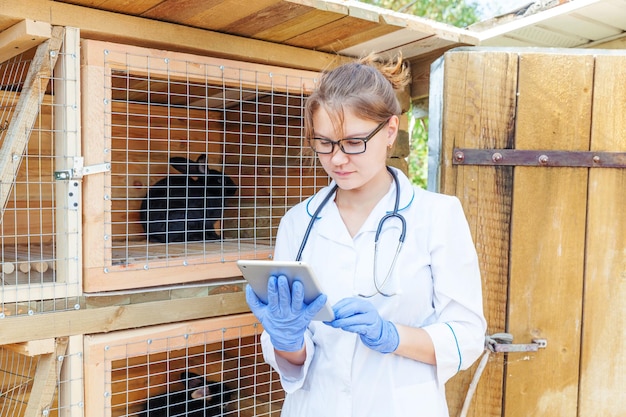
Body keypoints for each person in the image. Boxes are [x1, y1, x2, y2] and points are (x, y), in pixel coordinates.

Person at [245, 53, 487, 416]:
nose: (337, 159)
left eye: (353, 142)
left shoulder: (437, 216)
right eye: (324, 142)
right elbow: (296, 362)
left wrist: (391, 335)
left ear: (390, 131)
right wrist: (286, 339)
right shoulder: (298, 223)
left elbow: (467, 336)